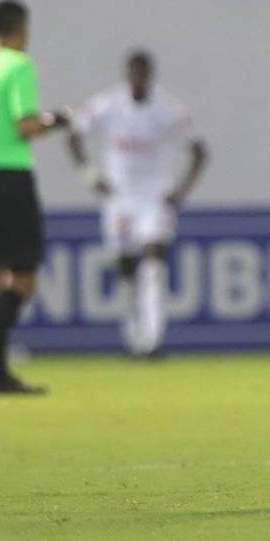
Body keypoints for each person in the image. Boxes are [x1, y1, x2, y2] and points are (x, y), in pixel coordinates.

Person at [68, 50, 207, 358]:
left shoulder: (168, 108)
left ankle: (153, 340)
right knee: (127, 269)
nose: (138, 79)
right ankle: (134, 336)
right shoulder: (108, 105)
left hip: (154, 196)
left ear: (150, 75)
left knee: (154, 263)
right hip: (119, 198)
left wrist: (181, 191)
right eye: (133, 73)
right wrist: (90, 177)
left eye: (143, 73)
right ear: (127, 74)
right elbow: (74, 134)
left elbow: (199, 151)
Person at [0, 0, 71, 394]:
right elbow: (26, 126)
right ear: (19, 28)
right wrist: (58, 120)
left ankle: (0, 376)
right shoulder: (18, 66)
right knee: (23, 280)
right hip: (8, 178)